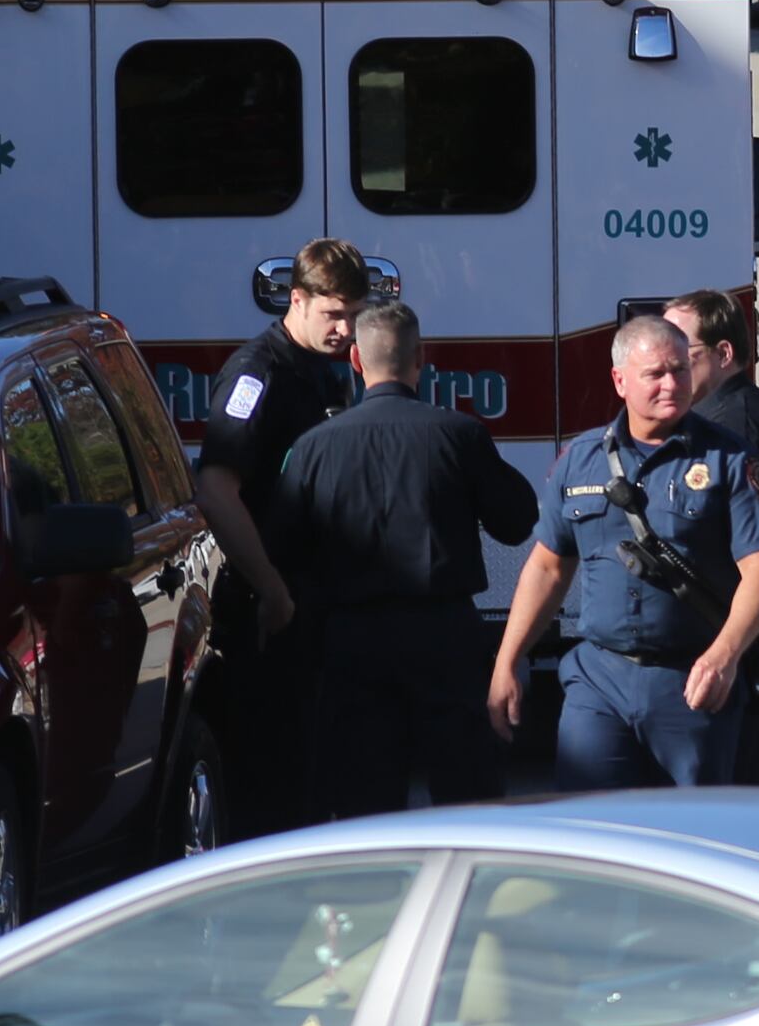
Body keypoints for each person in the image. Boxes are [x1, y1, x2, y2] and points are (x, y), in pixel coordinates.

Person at [488, 318, 759, 790]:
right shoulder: (580, 460)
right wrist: (508, 662)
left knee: (692, 838)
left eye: (680, 370)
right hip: (599, 680)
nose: (672, 384)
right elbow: (546, 567)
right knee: (594, 830)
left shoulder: (730, 460)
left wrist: (725, 656)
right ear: (619, 380)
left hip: (690, 681)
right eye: (655, 374)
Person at [276, 301, 540, 817]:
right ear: (421, 357)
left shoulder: (312, 448)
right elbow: (517, 522)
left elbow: (284, 549)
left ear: (355, 360)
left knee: (362, 799)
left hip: (352, 641)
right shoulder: (458, 435)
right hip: (444, 635)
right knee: (467, 796)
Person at [201, 238, 368, 835]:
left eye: (353, 314)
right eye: (332, 314)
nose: (345, 329)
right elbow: (216, 490)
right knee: (272, 792)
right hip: (270, 610)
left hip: (317, 604)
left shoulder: (324, 372)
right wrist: (270, 588)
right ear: (296, 300)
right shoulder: (257, 374)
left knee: (316, 781)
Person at [663, 291, 759, 787]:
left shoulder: (736, 426)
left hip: (745, 634)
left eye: (683, 351)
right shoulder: (711, 420)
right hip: (729, 628)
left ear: (724, 355)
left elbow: (756, 555)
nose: (670, 363)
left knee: (735, 793)